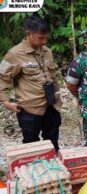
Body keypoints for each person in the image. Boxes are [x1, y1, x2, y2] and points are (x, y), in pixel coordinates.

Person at [0, 15, 62, 152]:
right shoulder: (14, 54)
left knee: (52, 142)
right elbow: (2, 78)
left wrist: (58, 100)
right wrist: (5, 102)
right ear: (28, 34)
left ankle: (54, 170)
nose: (44, 41)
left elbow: (53, 77)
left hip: (51, 106)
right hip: (29, 109)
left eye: (46, 38)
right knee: (31, 146)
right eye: (41, 38)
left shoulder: (47, 52)